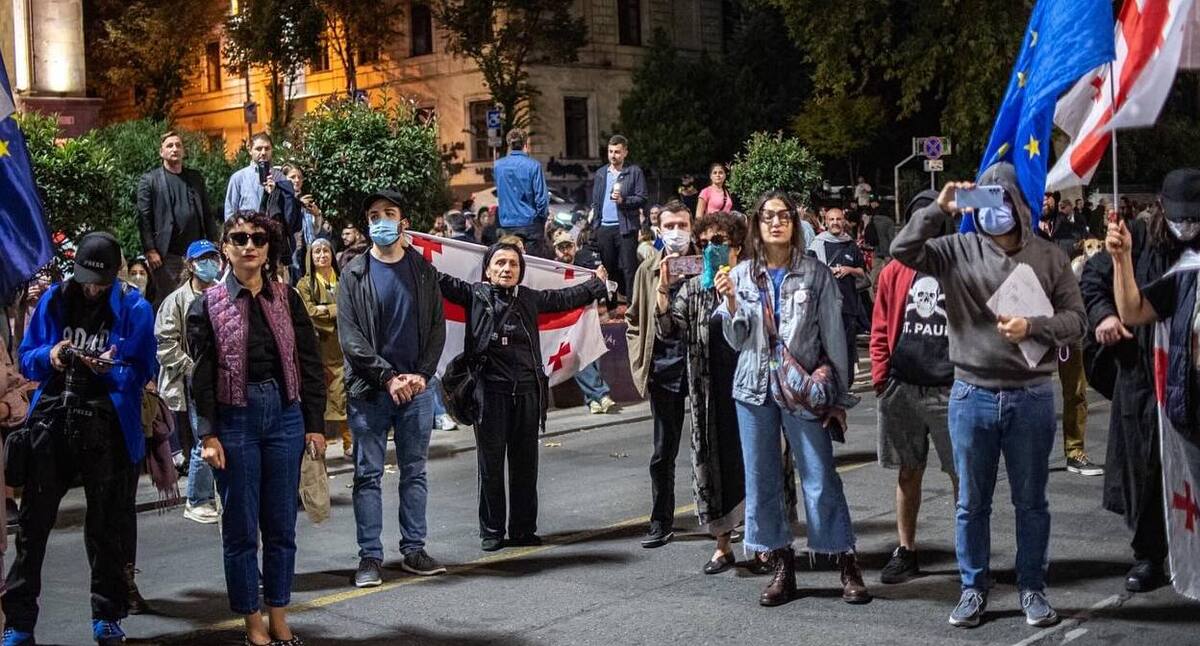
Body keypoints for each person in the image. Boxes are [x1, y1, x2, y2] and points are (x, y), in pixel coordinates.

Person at [890, 164, 1087, 629]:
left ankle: (1032, 588)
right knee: (971, 503)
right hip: (971, 393)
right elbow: (902, 250)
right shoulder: (956, 250)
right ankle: (973, 588)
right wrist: (938, 210)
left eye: (1000, 200)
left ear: (1018, 203)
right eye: (984, 200)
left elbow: (1076, 321)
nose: (992, 211)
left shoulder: (1049, 256)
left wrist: (1034, 327)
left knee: (1031, 501)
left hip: (1030, 395)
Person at [713, 191, 869, 607]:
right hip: (753, 388)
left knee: (819, 476)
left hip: (803, 388)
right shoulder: (743, 274)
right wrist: (729, 303)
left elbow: (835, 338)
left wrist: (837, 396)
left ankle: (844, 559)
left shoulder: (815, 274)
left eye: (784, 216)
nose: (777, 223)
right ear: (757, 225)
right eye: (768, 217)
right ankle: (782, 564)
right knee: (762, 479)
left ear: (795, 225)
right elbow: (737, 339)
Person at [3, 232, 158, 646]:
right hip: (53, 418)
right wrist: (53, 354)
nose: (92, 288)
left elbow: (143, 367)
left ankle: (107, 616)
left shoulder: (134, 308)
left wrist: (108, 368)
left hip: (107, 425)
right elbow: (28, 356)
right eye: (88, 279)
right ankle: (18, 623)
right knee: (33, 528)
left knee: (107, 527)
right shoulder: (55, 299)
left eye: (101, 281)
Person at [187, 211, 326, 646]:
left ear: (269, 248)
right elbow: (201, 376)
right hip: (236, 419)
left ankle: (280, 617)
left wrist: (314, 424)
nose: (249, 245)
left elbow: (309, 363)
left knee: (282, 526)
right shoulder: (205, 305)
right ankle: (253, 626)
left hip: (285, 414)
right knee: (242, 529)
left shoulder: (287, 297)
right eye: (240, 238)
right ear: (225, 246)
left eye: (258, 239)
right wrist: (208, 435)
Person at [439, 242, 609, 551]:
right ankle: (491, 531)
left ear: (521, 270)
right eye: (500, 263)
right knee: (490, 466)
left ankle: (522, 529)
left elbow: (564, 297)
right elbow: (436, 280)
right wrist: (405, 249)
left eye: (513, 264)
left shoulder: (530, 298)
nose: (506, 269)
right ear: (488, 270)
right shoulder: (474, 295)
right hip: (489, 395)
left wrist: (596, 283)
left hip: (529, 392)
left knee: (525, 465)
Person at [337, 190, 447, 588]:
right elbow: (351, 339)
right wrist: (387, 377)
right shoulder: (353, 273)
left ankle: (413, 550)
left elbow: (437, 328)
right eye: (373, 215)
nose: (380, 221)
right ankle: (370, 557)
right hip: (370, 393)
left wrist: (420, 375)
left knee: (414, 472)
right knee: (367, 475)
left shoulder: (422, 270)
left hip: (416, 391)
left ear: (403, 222)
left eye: (388, 213)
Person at [1099, 168, 1199, 592]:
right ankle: (1154, 555)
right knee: (1161, 476)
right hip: (1177, 398)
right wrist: (1122, 260)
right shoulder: (1183, 272)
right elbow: (1134, 310)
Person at [869, 190, 959, 584]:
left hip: (951, 387)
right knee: (908, 471)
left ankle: (971, 553)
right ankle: (906, 550)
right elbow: (880, 327)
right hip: (903, 386)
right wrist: (881, 379)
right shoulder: (894, 269)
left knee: (963, 476)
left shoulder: (957, 264)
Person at [656, 210, 749, 573]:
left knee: (753, 465)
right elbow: (668, 330)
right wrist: (664, 288)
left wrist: (732, 297)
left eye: (719, 243)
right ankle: (723, 546)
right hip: (709, 393)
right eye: (705, 242)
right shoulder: (693, 288)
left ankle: (761, 545)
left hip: (748, 390)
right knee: (716, 467)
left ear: (736, 248)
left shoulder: (750, 283)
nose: (711, 248)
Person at [626, 200, 694, 549]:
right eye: (670, 226)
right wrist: (642, 360)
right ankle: (661, 520)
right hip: (664, 371)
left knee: (714, 447)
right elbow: (633, 320)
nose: (676, 232)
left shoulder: (705, 266)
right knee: (662, 452)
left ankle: (723, 518)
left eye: (682, 225)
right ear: (659, 229)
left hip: (700, 369)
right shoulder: (647, 270)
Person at [154, 240, 223, 524]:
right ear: (191, 264)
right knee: (201, 440)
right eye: (203, 259)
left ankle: (215, 494)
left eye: (213, 258)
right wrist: (193, 369)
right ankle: (197, 499)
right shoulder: (176, 301)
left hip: (223, 379)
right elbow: (165, 344)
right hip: (194, 382)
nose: (209, 264)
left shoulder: (223, 291)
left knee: (218, 437)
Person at [136, 131, 217, 307]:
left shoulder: (195, 177)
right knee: (167, 302)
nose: (175, 149)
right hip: (166, 256)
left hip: (196, 253)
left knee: (198, 301)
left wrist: (214, 244)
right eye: (170, 146)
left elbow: (206, 212)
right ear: (161, 152)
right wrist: (150, 249)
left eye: (178, 145)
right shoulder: (150, 180)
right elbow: (144, 219)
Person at [552, 230, 618, 414]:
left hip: (587, 320)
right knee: (578, 355)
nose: (565, 251)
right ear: (555, 250)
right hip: (563, 326)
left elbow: (603, 291)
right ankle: (601, 393)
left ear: (575, 248)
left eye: (568, 246)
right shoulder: (550, 271)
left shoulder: (585, 269)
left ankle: (592, 400)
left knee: (591, 354)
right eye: (561, 247)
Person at [297, 237, 350, 456]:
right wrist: (335, 311)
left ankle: (349, 442)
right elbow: (309, 312)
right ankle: (320, 445)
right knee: (322, 398)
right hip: (321, 349)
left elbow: (351, 306)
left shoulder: (344, 280)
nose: (322, 255)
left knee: (347, 397)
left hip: (345, 347)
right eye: (317, 252)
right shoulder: (304, 284)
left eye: (326, 251)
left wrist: (325, 308)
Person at [223, 133, 303, 276]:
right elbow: (230, 213)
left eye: (267, 148)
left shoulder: (281, 179)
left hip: (272, 244)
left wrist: (275, 193)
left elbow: (288, 217)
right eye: (258, 149)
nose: (263, 153)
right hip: (246, 243)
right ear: (250, 150)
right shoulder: (239, 178)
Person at [808, 208, 869, 386]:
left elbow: (862, 272)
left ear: (844, 222)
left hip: (848, 306)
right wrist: (827, 272)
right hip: (824, 306)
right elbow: (810, 272)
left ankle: (845, 385)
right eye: (831, 219)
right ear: (826, 222)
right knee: (827, 347)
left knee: (848, 348)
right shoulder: (817, 245)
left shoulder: (851, 244)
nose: (835, 222)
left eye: (838, 219)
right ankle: (828, 383)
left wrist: (848, 270)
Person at [590, 135, 648, 300]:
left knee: (629, 268)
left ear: (625, 153)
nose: (613, 155)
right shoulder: (601, 173)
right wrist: (596, 224)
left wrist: (624, 201)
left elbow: (642, 197)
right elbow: (596, 200)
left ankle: (632, 306)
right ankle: (611, 305)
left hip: (626, 227)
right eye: (610, 152)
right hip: (604, 228)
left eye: (617, 152)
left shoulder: (633, 172)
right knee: (609, 269)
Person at [494, 128, 550, 258]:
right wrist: (542, 218)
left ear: (509, 145)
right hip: (530, 223)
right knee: (533, 264)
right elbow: (541, 198)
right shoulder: (534, 165)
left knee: (510, 260)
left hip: (507, 223)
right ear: (526, 144)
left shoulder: (498, 166)